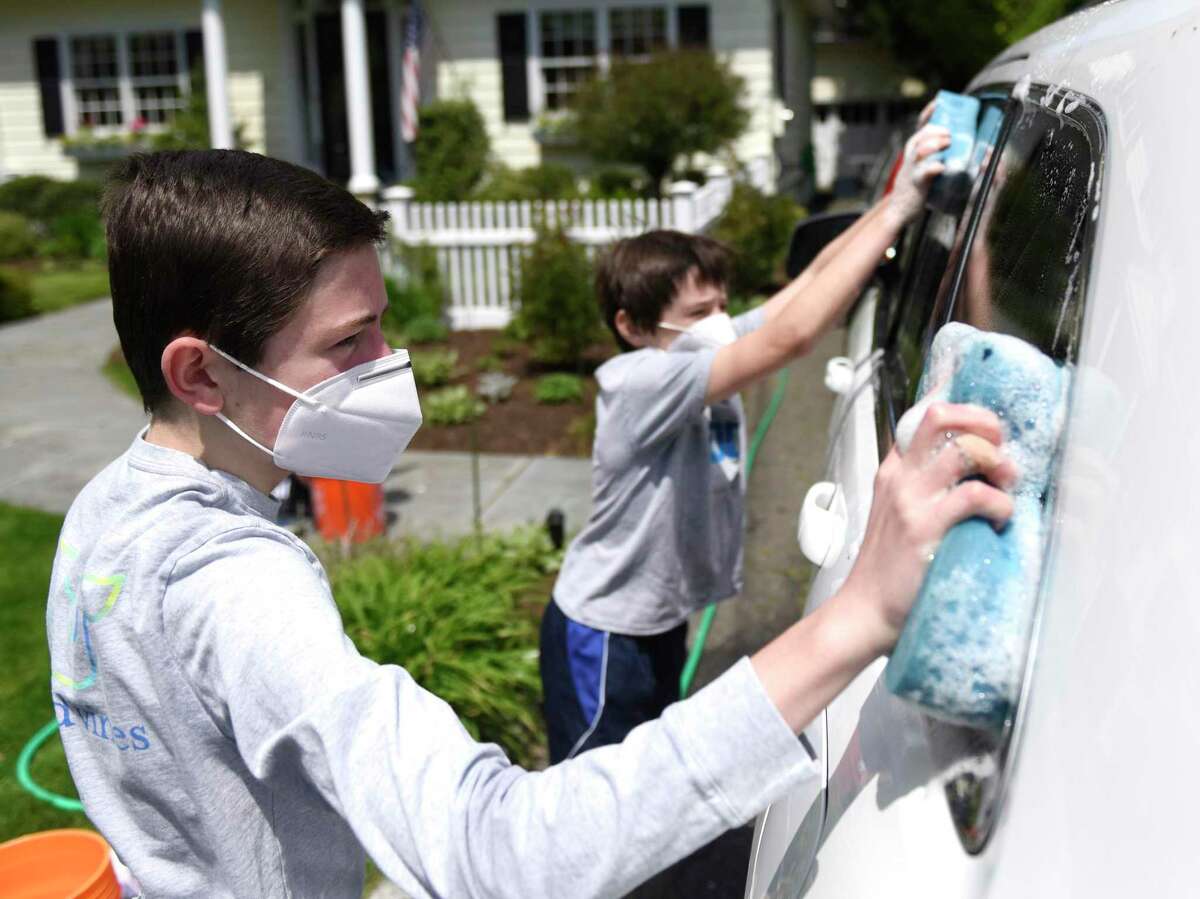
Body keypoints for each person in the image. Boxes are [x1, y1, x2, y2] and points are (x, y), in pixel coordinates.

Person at [46, 137, 1013, 899]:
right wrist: (854, 620)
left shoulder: (105, 517)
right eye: (350, 341)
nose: (394, 361)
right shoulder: (236, 587)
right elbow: (502, 853)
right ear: (202, 372)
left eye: (381, 323)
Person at [541, 113, 954, 762]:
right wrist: (899, 206)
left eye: (721, 306)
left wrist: (893, 205)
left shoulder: (693, 347)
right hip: (604, 633)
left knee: (642, 777)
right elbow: (792, 335)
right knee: (593, 791)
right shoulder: (642, 379)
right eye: (698, 314)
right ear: (632, 325)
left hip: (657, 621)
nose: (719, 323)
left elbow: (810, 284)